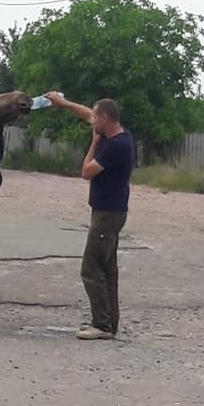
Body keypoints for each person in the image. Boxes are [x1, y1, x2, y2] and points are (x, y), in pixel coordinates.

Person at [44, 92, 134, 340]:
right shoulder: (116, 133)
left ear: (105, 119)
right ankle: (108, 323)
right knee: (108, 270)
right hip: (111, 212)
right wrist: (63, 103)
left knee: (91, 268)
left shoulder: (115, 146)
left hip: (107, 215)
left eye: (96, 119)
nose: (92, 122)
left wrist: (93, 142)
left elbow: (86, 171)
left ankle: (102, 325)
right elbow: (86, 113)